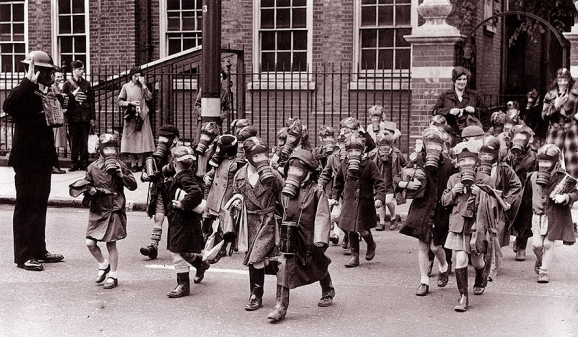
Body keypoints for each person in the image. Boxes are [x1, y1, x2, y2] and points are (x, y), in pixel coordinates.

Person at [3, 51, 72, 271]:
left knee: (39, 206)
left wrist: (62, 102)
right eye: (49, 71)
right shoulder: (23, 93)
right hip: (26, 160)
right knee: (25, 207)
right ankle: (23, 256)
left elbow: (50, 120)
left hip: (42, 160)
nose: (53, 74)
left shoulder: (45, 93)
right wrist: (27, 81)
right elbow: (8, 106)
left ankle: (39, 250)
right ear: (39, 72)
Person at [267, 149, 335, 321]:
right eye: (291, 170)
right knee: (283, 267)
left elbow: (322, 215)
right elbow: (280, 210)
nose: (293, 173)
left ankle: (327, 288)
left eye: (298, 170)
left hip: (309, 237)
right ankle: (280, 307)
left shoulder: (316, 191)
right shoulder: (286, 190)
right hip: (290, 236)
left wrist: (320, 238)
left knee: (317, 264)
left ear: (309, 172)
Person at [395, 127, 457, 296]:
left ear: (442, 146)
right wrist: (406, 184)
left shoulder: (450, 165)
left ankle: (444, 266)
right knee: (423, 245)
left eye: (436, 145)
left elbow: (456, 183)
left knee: (436, 247)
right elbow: (398, 177)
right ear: (423, 145)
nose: (433, 148)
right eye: (429, 144)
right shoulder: (417, 161)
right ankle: (424, 281)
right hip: (422, 208)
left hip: (441, 210)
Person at [230, 137, 284, 311]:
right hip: (249, 222)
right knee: (261, 260)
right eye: (256, 155)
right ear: (248, 157)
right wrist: (237, 201)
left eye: (263, 154)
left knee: (256, 258)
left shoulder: (274, 175)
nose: (261, 159)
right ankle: (261, 292)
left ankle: (256, 295)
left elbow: (284, 198)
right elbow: (235, 194)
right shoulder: (240, 176)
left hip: (268, 220)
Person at [80, 133, 137, 289]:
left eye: (113, 148)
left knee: (111, 244)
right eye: (107, 148)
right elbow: (86, 184)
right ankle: (103, 264)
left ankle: (113, 275)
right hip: (98, 208)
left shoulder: (121, 165)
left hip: (114, 207)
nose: (110, 152)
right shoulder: (92, 167)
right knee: (90, 243)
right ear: (100, 149)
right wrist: (90, 190)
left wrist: (121, 174)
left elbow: (133, 185)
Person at [441, 139, 485, 312]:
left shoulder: (484, 178)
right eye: (463, 160)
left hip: (477, 226)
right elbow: (444, 201)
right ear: (457, 163)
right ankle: (463, 297)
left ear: (476, 161)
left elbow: (496, 202)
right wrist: (453, 191)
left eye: (471, 160)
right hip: (458, 225)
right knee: (460, 259)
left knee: (477, 261)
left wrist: (480, 193)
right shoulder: (453, 179)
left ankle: (480, 274)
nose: (467, 163)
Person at [330, 132, 386, 268]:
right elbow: (338, 182)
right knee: (350, 230)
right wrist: (334, 198)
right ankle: (355, 256)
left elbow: (379, 182)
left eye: (357, 150)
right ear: (347, 152)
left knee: (364, 230)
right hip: (349, 202)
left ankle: (371, 243)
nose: (354, 153)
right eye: (351, 151)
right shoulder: (344, 164)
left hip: (364, 202)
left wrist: (379, 197)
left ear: (363, 151)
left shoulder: (369, 164)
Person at [164, 146, 210, 298]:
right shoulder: (186, 175)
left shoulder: (184, 177)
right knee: (182, 250)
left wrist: (183, 204)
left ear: (174, 162)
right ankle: (200, 264)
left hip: (182, 220)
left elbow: (196, 193)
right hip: (184, 220)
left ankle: (183, 285)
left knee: (176, 252)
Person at [527, 144, 577, 283]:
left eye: (547, 162)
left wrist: (566, 197)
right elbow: (526, 197)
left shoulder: (562, 177)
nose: (543, 165)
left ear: (556, 161)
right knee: (536, 245)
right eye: (541, 161)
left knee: (548, 244)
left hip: (553, 216)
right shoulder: (533, 177)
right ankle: (539, 260)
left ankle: (544, 272)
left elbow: (575, 192)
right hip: (537, 216)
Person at [139, 125, 180, 259]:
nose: (162, 143)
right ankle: (153, 246)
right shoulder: (157, 155)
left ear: (174, 140)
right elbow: (148, 171)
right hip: (160, 190)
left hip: (175, 191)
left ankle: (179, 247)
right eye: (160, 139)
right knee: (158, 217)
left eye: (166, 139)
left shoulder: (180, 153)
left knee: (176, 220)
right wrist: (145, 175)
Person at [503, 125, 538, 261]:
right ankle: (517, 238)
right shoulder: (510, 155)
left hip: (527, 192)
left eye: (523, 138)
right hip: (513, 191)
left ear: (529, 140)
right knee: (513, 218)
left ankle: (522, 245)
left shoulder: (534, 156)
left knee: (525, 218)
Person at [542, 67, 578, 179]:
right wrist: (556, 106)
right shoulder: (550, 95)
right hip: (555, 129)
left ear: (569, 80)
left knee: (573, 161)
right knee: (550, 159)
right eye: (560, 80)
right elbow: (544, 115)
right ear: (556, 81)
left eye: (565, 80)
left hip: (571, 130)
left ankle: (573, 190)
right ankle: (549, 185)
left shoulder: (575, 95)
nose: (563, 82)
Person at [433, 66, 487, 139]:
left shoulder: (474, 95)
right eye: (459, 79)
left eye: (464, 79)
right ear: (454, 81)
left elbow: (485, 110)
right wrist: (449, 111)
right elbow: (435, 111)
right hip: (450, 134)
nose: (462, 82)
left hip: (470, 135)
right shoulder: (445, 95)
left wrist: (474, 110)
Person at [118, 67, 156, 172]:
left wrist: (144, 85)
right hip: (131, 115)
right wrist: (129, 103)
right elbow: (120, 101)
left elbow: (149, 97)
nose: (137, 78)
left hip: (142, 115)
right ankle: (133, 163)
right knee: (131, 139)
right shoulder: (126, 86)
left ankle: (140, 162)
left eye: (139, 76)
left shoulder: (143, 87)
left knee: (142, 139)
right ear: (131, 76)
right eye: (135, 76)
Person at [369, 132, 407, 231]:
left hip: (391, 182)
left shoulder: (397, 153)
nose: (384, 147)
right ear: (378, 145)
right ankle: (381, 222)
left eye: (386, 144)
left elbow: (405, 165)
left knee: (388, 201)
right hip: (379, 182)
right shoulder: (374, 154)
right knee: (380, 202)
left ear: (390, 144)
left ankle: (394, 217)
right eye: (381, 145)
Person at [62, 60, 95, 172]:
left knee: (84, 141)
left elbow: (91, 102)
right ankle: (74, 163)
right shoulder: (67, 84)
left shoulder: (87, 84)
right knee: (74, 141)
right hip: (73, 116)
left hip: (85, 116)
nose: (82, 71)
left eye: (82, 69)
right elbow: (64, 100)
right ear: (74, 70)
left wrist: (92, 118)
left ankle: (84, 163)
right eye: (79, 69)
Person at [51, 67, 68, 174]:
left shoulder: (57, 87)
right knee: (54, 141)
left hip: (59, 116)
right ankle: (54, 165)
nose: (60, 78)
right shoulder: (52, 87)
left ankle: (55, 165)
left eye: (61, 76)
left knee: (56, 141)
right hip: (55, 117)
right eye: (57, 76)